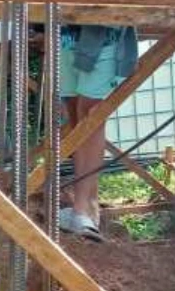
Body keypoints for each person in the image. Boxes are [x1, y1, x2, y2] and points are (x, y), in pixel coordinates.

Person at [57, 24, 137, 242]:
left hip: (103, 34)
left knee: (91, 113)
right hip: (66, 33)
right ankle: (89, 203)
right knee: (74, 111)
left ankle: (81, 209)